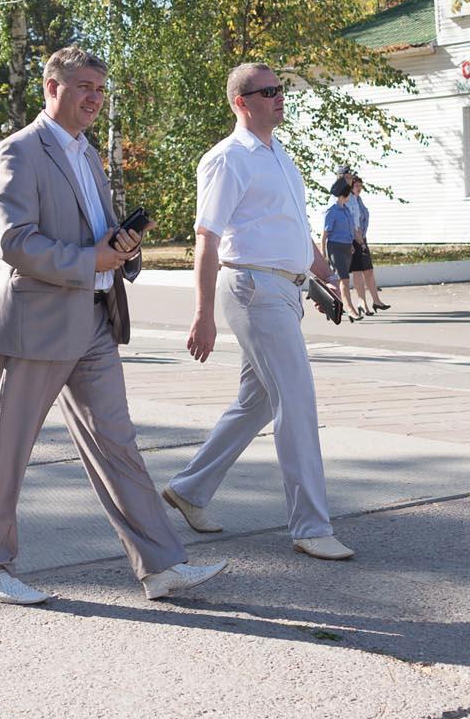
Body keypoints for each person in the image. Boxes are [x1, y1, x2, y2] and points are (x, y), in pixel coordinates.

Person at [0, 46, 227, 605]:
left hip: (95, 320)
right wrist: (91, 260)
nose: (94, 98)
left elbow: (100, 234)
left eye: (100, 90)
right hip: (36, 323)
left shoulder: (88, 156)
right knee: (9, 451)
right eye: (83, 86)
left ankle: (160, 566)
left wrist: (124, 249)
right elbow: (16, 242)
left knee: (119, 445)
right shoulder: (18, 152)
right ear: (51, 87)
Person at [165, 63, 353, 559]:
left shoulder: (278, 155)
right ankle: (311, 528)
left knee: (260, 401)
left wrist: (316, 273)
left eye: (281, 89)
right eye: (268, 91)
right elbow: (207, 238)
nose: (279, 97)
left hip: (282, 290)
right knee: (297, 401)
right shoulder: (228, 159)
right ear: (240, 102)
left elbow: (289, 226)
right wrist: (202, 314)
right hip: (252, 288)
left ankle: (189, 489)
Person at [323, 175, 361, 320]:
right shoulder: (332, 211)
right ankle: (349, 308)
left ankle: (331, 304)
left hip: (346, 247)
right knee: (344, 279)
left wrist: (352, 244)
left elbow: (349, 229)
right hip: (335, 247)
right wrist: (323, 253)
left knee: (339, 280)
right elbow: (325, 234)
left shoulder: (346, 210)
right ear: (344, 195)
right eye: (349, 194)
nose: (351, 197)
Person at [346, 172, 385, 314]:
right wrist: (357, 240)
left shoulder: (358, 199)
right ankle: (362, 301)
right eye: (356, 185)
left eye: (360, 185)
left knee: (368, 270)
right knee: (357, 271)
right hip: (354, 239)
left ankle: (376, 300)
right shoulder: (349, 199)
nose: (359, 188)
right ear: (350, 186)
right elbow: (352, 221)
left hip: (362, 238)